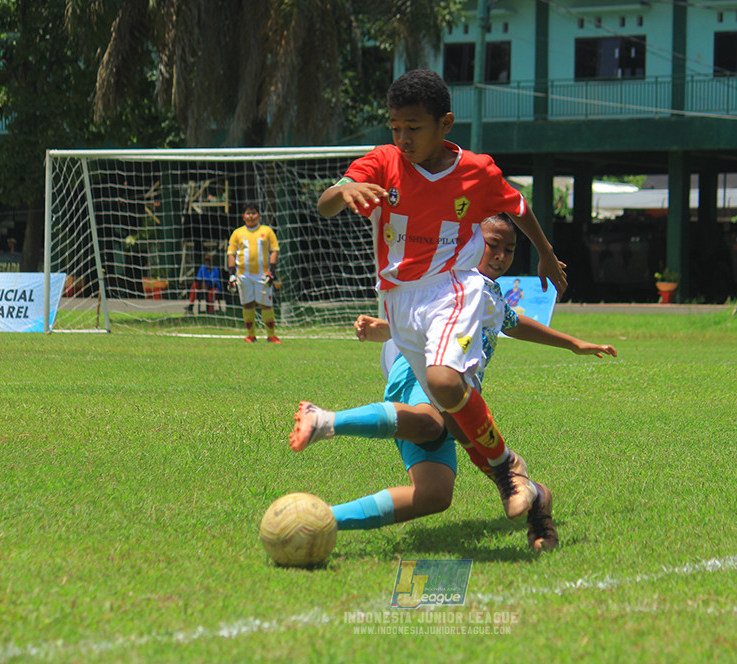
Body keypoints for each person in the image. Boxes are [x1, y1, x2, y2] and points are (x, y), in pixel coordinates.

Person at [317, 69, 567, 520]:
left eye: (413, 127)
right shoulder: (383, 161)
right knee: (447, 416)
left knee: (444, 383)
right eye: (395, 126)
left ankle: (506, 468)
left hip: (453, 285)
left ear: (445, 124)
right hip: (398, 300)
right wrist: (343, 189)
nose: (402, 136)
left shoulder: (477, 170)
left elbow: (519, 207)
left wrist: (546, 254)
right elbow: (327, 203)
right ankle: (517, 477)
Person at [290, 214, 617, 550]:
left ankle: (323, 519)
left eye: (509, 249)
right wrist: (385, 329)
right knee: (434, 423)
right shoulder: (447, 279)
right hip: (422, 368)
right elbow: (419, 321)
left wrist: (574, 343)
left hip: (461, 393)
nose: (501, 255)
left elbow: (515, 323)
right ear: (469, 242)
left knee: (435, 494)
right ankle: (324, 420)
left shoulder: (489, 293)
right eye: (493, 244)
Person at [227, 204, 281, 343]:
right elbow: (231, 254)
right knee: (247, 304)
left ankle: (271, 335)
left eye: (253, 213)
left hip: (262, 275)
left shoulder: (267, 231)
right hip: (243, 275)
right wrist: (232, 274)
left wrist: (272, 271)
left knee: (266, 304)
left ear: (259, 215)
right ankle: (251, 335)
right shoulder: (237, 233)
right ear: (243, 216)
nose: (250, 216)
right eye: (248, 213)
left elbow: (274, 250)